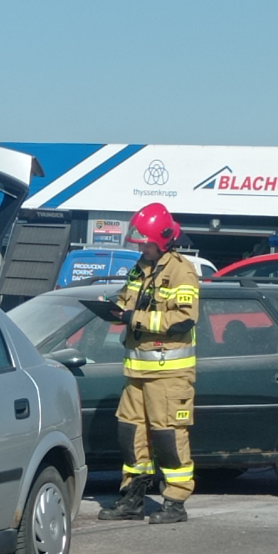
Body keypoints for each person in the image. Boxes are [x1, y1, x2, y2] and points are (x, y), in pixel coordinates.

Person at [98, 202, 200, 525]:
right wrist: (110, 308)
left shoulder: (181, 270)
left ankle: (175, 500)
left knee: (168, 436)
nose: (141, 247)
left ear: (162, 239)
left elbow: (184, 319)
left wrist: (133, 318)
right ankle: (133, 497)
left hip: (169, 374)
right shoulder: (140, 267)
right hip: (137, 371)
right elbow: (126, 301)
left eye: (146, 242)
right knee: (130, 434)